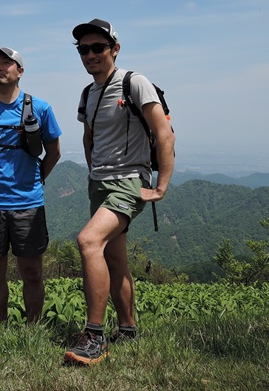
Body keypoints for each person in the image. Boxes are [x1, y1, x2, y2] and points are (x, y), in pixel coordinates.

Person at [63, 19, 175, 366]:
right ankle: (127, 329)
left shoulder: (134, 83)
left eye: (98, 47)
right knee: (114, 258)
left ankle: (94, 336)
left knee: (88, 241)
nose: (90, 54)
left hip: (129, 181)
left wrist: (160, 186)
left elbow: (164, 133)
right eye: (84, 49)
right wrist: (93, 171)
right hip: (99, 183)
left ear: (115, 49)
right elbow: (89, 137)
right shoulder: (88, 93)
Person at [0, 47, 62, 323]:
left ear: (20, 71)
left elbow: (54, 152)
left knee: (32, 272)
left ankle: (33, 328)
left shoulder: (40, 109)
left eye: (6, 63)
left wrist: (36, 179)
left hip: (28, 203)